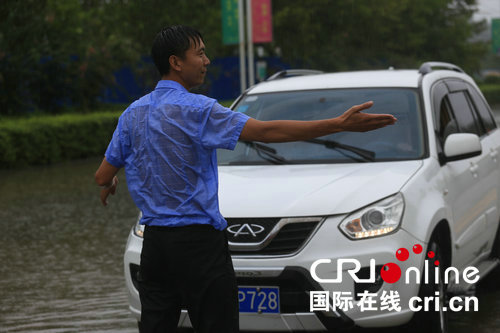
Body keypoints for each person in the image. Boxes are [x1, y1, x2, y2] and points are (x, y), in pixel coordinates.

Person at [95, 25, 396, 333]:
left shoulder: (133, 113)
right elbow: (266, 132)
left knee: (156, 325)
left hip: (155, 245)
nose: (207, 60)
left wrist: (111, 183)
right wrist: (338, 124)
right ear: (176, 62)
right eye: (199, 53)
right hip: (198, 244)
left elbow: (103, 175)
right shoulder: (198, 109)